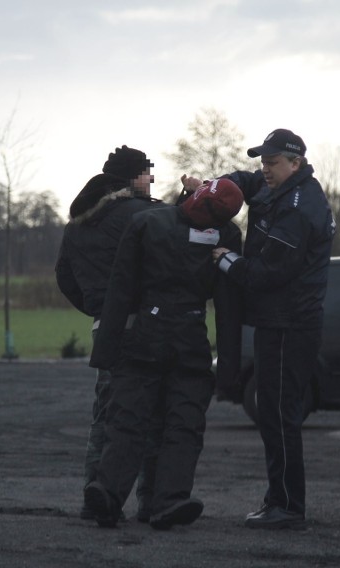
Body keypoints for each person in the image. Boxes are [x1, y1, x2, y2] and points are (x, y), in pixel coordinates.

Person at [183, 128, 335, 530]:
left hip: (290, 325)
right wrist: (216, 188)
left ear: (296, 163)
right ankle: (279, 497)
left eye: (272, 163)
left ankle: (287, 505)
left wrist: (227, 260)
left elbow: (271, 273)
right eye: (262, 162)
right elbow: (245, 181)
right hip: (276, 322)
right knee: (272, 412)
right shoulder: (278, 188)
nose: (264, 170)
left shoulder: (299, 209)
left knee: (280, 414)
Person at [84, 178, 244, 530]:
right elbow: (229, 309)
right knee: (183, 423)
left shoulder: (147, 223)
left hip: (145, 332)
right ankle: (167, 500)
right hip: (190, 336)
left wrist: (106, 350)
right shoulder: (226, 236)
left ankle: (108, 493)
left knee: (127, 418)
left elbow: (121, 288)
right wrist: (230, 369)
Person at [55, 145, 164, 522]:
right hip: (148, 328)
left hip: (107, 331)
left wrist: (98, 307)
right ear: (134, 177)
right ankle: (152, 502)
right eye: (148, 172)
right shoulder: (144, 214)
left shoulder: (78, 225)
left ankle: (94, 494)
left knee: (105, 416)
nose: (152, 179)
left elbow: (65, 278)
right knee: (151, 415)